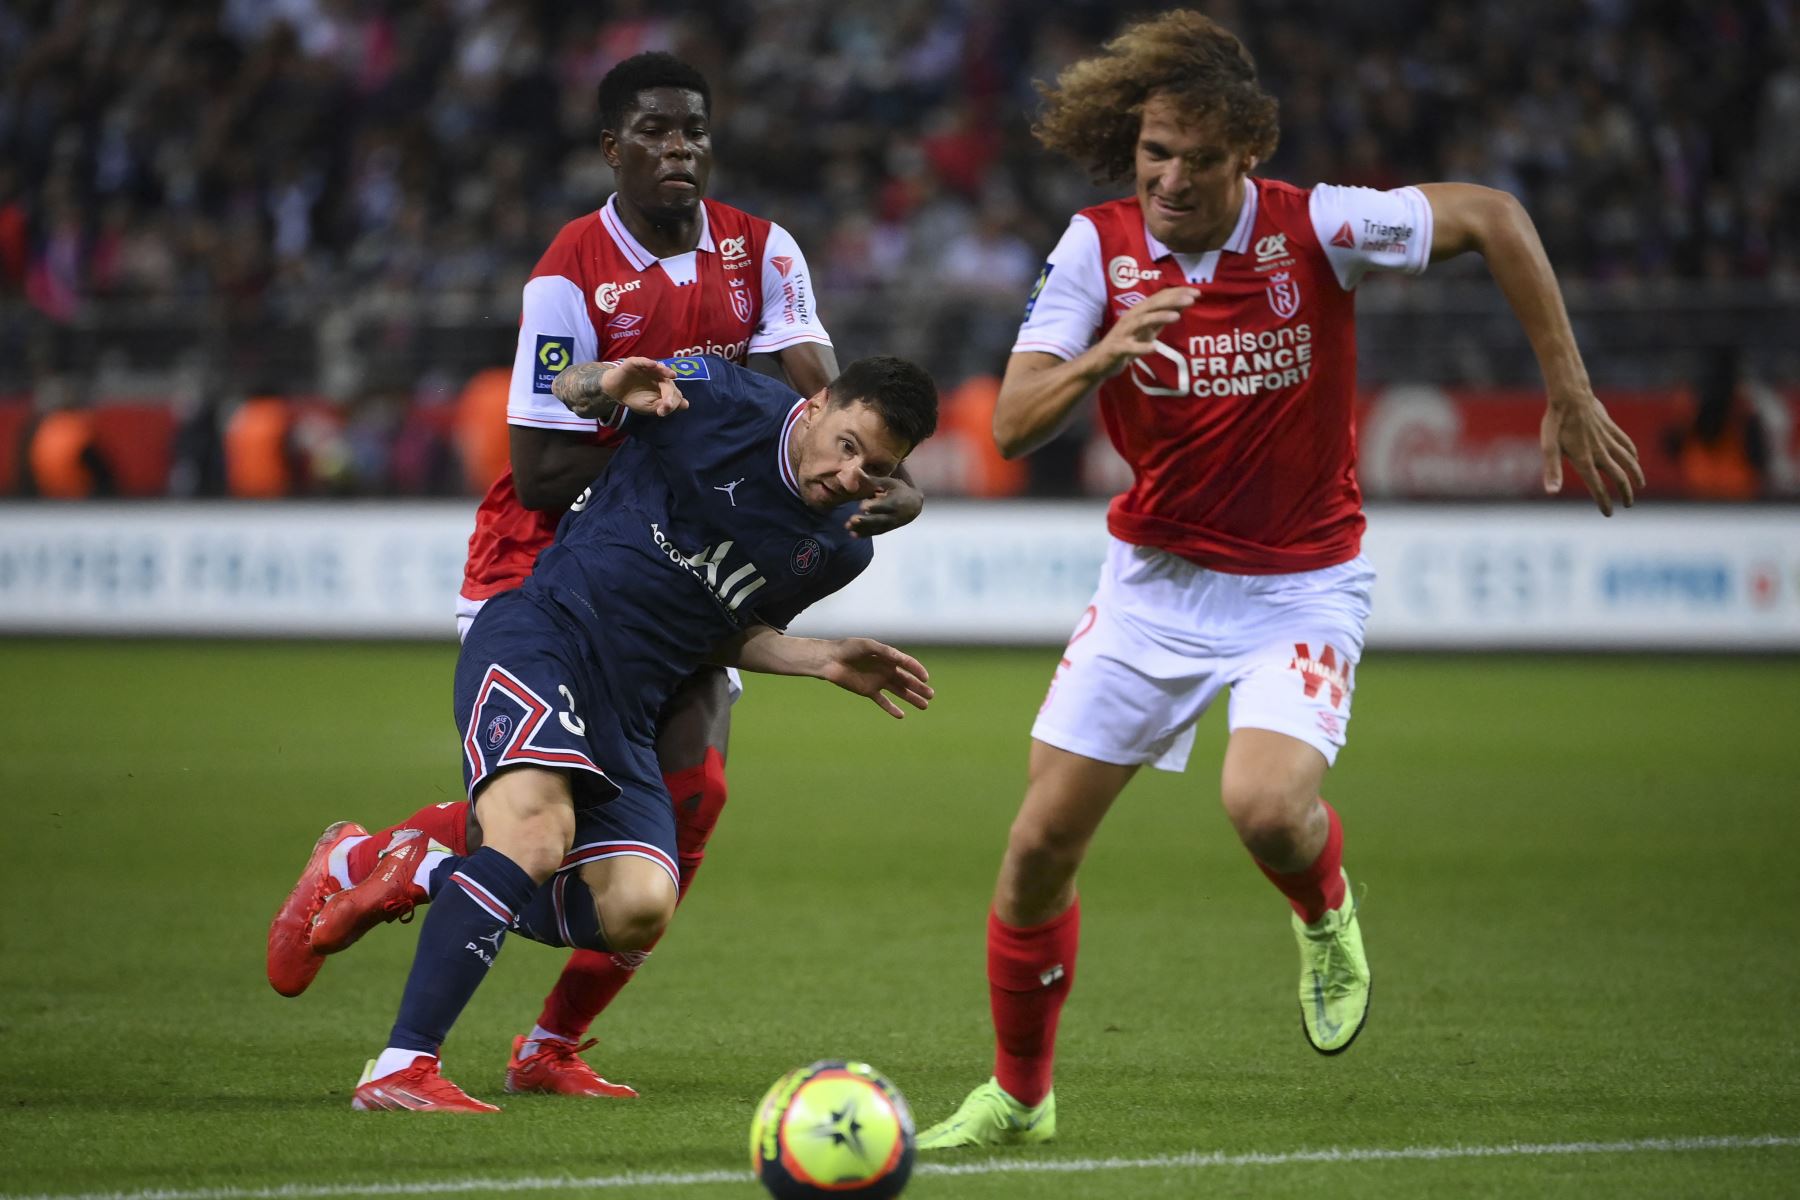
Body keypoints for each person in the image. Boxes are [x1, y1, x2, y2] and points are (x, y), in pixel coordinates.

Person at [919, 9, 1644, 1149]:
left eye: (1196, 159)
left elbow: (1496, 216)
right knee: (1034, 852)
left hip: (1301, 585)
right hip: (1154, 581)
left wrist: (1566, 386)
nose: (1168, 178)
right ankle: (1020, 1096)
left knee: (1263, 807)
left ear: (1244, 155)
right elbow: (1010, 424)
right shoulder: (1093, 248)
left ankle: (1325, 912)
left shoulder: (1325, 227)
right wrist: (1104, 352)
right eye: (1154, 152)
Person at [266, 51, 922, 1100]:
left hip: (685, 563)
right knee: (543, 811)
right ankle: (388, 874)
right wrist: (666, 440)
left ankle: (547, 1039)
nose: (681, 150)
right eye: (656, 132)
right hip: (554, 549)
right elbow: (536, 467)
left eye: (695, 131)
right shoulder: (571, 272)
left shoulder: (762, 251)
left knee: (691, 795)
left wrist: (879, 482)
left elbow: (830, 404)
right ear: (612, 148)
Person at [280, 352, 940, 1111]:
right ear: (820, 403)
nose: (848, 474)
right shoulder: (720, 396)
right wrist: (604, 384)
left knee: (637, 906)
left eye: (875, 468)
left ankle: (410, 867)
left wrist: (820, 658)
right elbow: (570, 388)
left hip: (629, 708)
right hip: (546, 634)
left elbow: (726, 631)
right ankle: (402, 1067)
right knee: (534, 837)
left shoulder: (841, 546)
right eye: (847, 444)